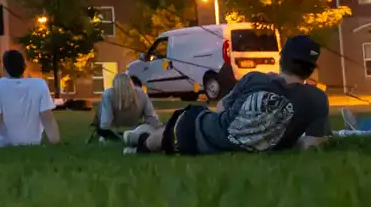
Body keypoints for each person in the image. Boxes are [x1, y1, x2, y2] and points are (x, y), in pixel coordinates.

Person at [125, 34, 331, 155]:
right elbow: (312, 145)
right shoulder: (317, 100)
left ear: (281, 59)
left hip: (198, 132)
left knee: (161, 138)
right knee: (162, 135)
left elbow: (220, 108)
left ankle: (139, 140)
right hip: (201, 134)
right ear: (311, 70)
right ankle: (137, 137)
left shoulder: (254, 78)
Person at [0, 49, 59, 148]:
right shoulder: (39, 84)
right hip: (33, 142)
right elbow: (47, 117)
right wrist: (55, 142)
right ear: (24, 67)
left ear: (4, 68)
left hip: (5, 144)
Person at [95, 74, 161, 141]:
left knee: (101, 107)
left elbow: (106, 117)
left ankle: (117, 136)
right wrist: (156, 127)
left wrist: (102, 133)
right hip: (135, 125)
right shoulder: (141, 93)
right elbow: (150, 115)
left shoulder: (108, 94)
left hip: (115, 126)